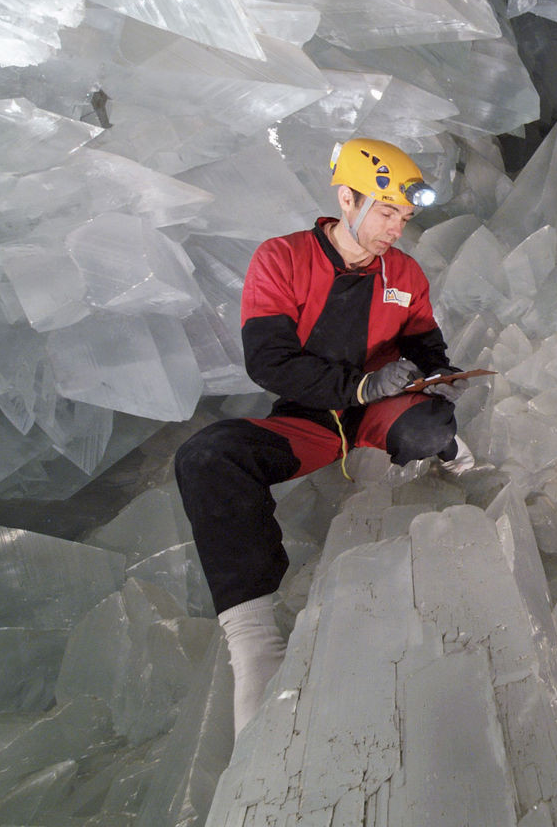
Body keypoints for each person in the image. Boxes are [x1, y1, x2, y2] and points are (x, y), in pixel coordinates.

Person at [175, 137, 473, 735]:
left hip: (380, 411)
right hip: (311, 415)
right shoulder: (281, 259)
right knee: (207, 456)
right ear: (347, 198)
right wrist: (360, 386)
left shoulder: (404, 273)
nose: (396, 228)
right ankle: (255, 640)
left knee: (430, 424)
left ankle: (452, 456)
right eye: (387, 212)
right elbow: (268, 359)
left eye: (405, 217)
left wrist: (437, 376)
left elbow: (425, 344)